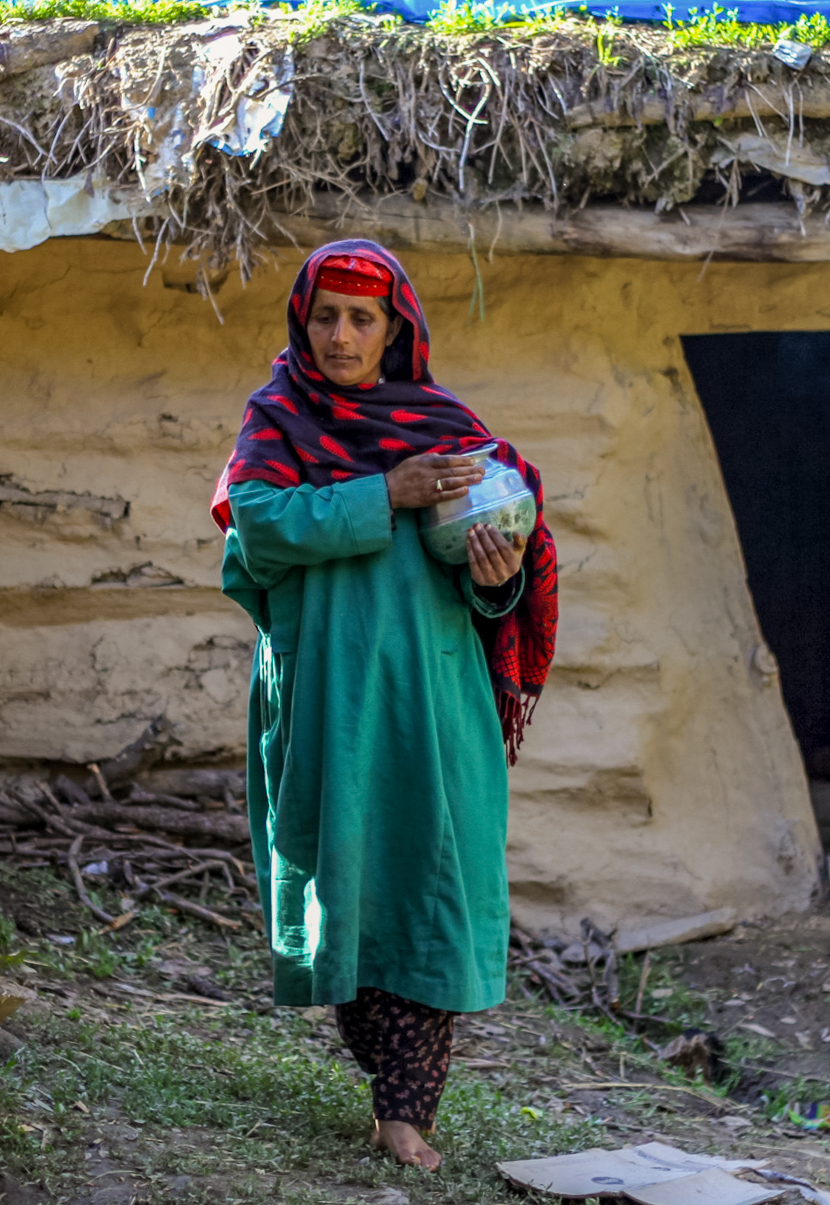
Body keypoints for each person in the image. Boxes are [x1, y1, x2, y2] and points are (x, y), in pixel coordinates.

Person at [211, 240, 559, 1171]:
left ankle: (406, 1110)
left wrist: (499, 575)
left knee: (429, 876)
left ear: (394, 329)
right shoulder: (278, 421)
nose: (341, 335)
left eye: (361, 318)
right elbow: (258, 527)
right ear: (303, 322)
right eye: (325, 315)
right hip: (325, 693)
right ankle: (383, 1080)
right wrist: (383, 491)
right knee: (348, 880)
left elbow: (489, 577)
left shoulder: (445, 429)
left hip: (431, 699)